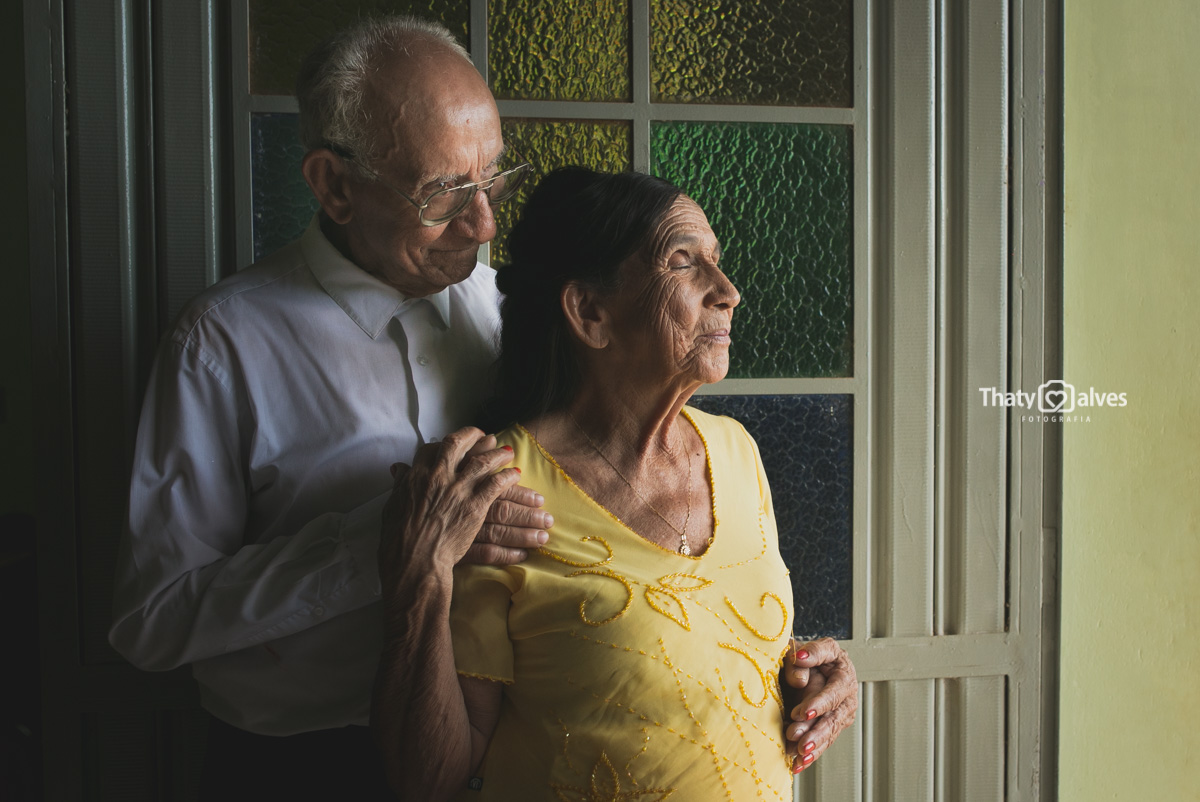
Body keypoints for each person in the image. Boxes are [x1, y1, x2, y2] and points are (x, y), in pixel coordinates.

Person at [106, 17, 550, 800]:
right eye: (444, 194)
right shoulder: (222, 343)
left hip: (502, 754)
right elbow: (155, 620)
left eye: (494, 180)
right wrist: (386, 543)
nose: (484, 224)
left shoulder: (515, 312)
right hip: (298, 770)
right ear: (334, 185)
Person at [371, 167, 858, 801]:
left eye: (717, 261)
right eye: (683, 262)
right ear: (591, 312)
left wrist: (812, 678)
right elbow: (435, 776)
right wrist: (418, 573)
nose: (729, 292)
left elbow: (698, 645)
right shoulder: (501, 487)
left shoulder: (735, 450)